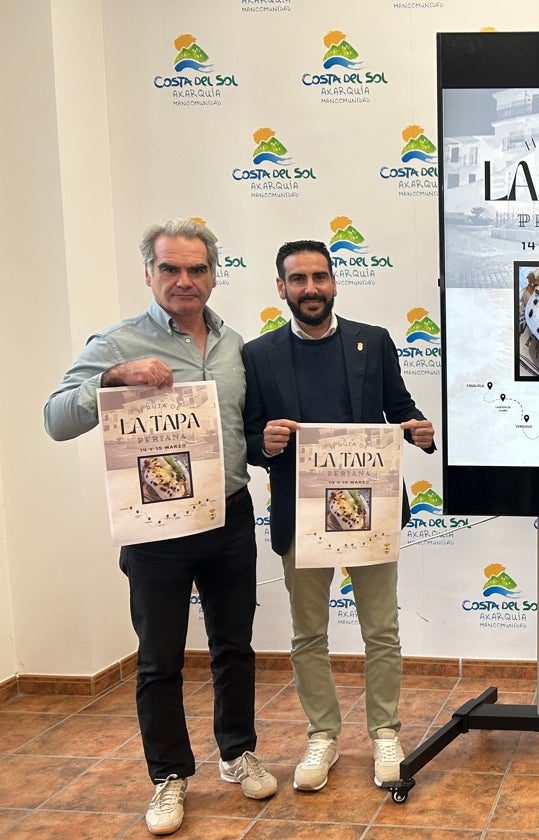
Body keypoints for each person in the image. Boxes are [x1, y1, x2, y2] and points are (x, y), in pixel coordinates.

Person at [44, 218, 277, 836]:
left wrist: (275, 443)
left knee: (234, 647)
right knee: (159, 659)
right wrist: (110, 380)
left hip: (228, 513)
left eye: (196, 269)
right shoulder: (118, 342)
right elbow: (56, 419)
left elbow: (243, 435)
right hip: (155, 527)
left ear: (213, 274)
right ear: (148, 273)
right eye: (170, 268)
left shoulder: (235, 345)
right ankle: (168, 777)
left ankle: (237, 753)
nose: (184, 280)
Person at [242, 239, 436, 793]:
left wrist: (420, 429)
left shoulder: (371, 343)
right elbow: (250, 439)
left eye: (320, 277)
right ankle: (322, 735)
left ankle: (384, 734)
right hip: (301, 521)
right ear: (281, 288)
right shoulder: (258, 355)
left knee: (382, 631)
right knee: (308, 635)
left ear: (334, 282)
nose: (310, 289)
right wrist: (267, 442)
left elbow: (399, 410)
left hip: (368, 514)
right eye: (298, 279)